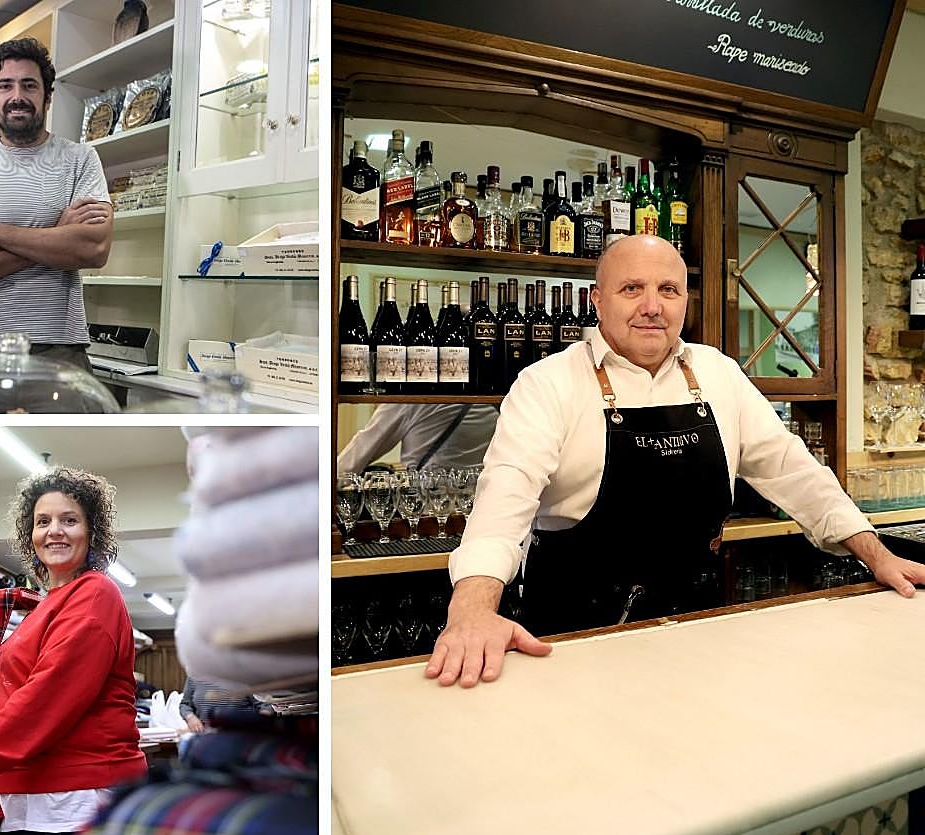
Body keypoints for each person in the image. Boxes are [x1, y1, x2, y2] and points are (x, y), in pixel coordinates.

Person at [426, 234, 925, 689]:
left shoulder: (718, 373)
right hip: (574, 643)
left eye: (668, 289)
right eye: (631, 289)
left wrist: (877, 555)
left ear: (686, 300)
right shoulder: (546, 383)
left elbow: (794, 472)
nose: (651, 307)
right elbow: (503, 500)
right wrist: (471, 610)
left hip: (696, 635)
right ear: (597, 301)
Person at [0, 467, 145, 835]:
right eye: (43, 521)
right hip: (38, 792)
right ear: (31, 534)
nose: (54, 530)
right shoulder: (48, 605)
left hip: (74, 796)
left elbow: (46, 698)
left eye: (69, 520)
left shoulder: (94, 595)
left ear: (92, 532)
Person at [0, 37, 112, 374]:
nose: (18, 96)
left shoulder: (81, 159)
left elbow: (93, 248)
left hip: (59, 348)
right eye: (6, 86)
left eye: (29, 85)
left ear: (47, 96)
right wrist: (57, 234)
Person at [337, 403, 499, 475]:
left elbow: (350, 462)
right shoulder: (495, 392)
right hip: (483, 508)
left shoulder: (408, 398)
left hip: (424, 512)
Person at [179, 676, 262, 733]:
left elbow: (265, 706)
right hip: (205, 736)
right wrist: (190, 717)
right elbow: (185, 704)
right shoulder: (194, 675)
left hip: (241, 737)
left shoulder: (246, 676)